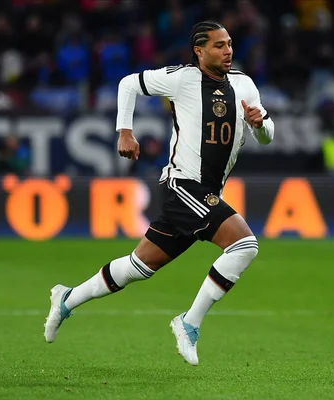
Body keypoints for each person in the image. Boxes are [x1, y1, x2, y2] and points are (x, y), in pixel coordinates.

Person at [44, 21, 274, 366]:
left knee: (138, 266)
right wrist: (125, 132)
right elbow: (127, 84)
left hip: (206, 191)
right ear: (199, 51)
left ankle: (66, 298)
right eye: (219, 46)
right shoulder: (181, 79)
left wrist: (259, 124)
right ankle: (189, 322)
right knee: (244, 244)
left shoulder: (243, 85)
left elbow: (267, 136)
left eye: (229, 45)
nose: (228, 51)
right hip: (184, 185)